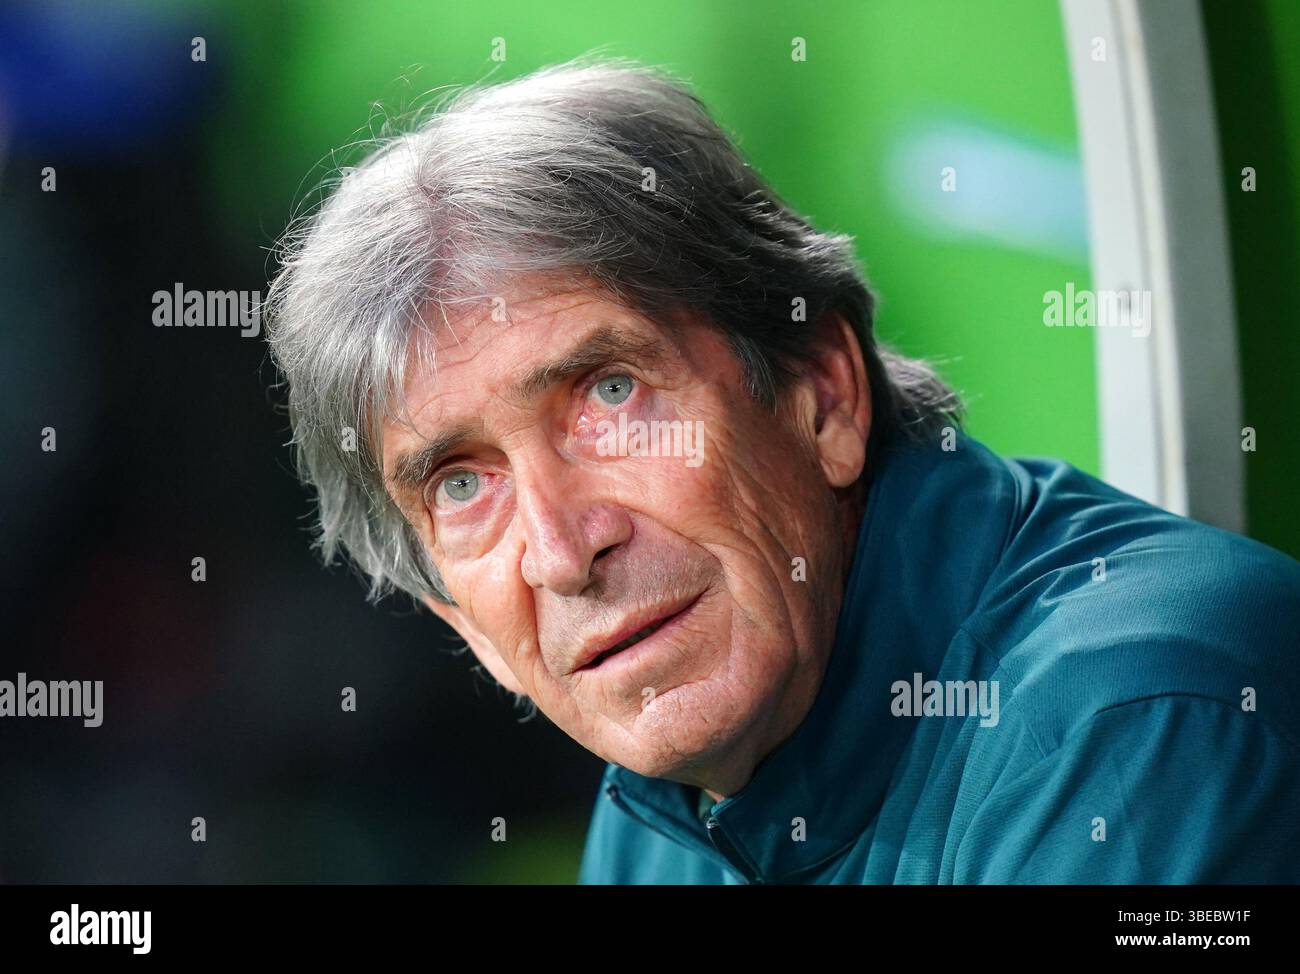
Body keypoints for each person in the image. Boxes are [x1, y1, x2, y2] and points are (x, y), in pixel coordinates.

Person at [264, 58, 1300, 884]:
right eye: (459, 484)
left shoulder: (1139, 722)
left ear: (822, 394)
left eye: (610, 395)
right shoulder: (670, 803)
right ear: (463, 624)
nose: (565, 551)